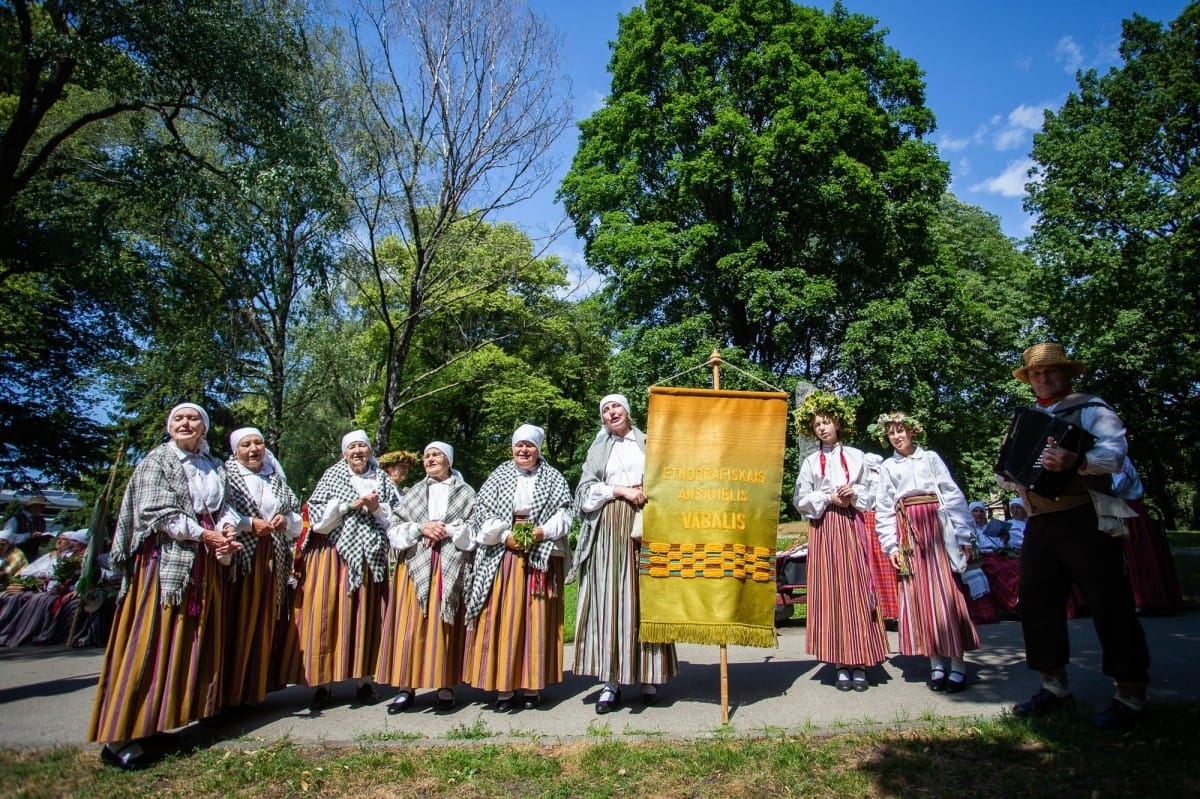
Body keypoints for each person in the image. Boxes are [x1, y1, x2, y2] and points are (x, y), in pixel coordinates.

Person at [1001, 342, 1150, 729]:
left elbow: (1116, 455)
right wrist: (1008, 471)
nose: (1044, 378)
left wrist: (1078, 460)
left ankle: (1129, 693)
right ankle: (1054, 688)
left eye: (1051, 371)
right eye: (1036, 373)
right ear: (1028, 379)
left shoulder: (1090, 410)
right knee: (1035, 602)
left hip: (1086, 517)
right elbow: (1011, 467)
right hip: (1040, 521)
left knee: (1109, 601)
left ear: (1068, 374)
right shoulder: (1028, 417)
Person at [87, 402, 242, 769]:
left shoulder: (214, 465)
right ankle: (119, 736)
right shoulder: (157, 461)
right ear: (169, 426)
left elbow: (227, 507)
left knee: (185, 643)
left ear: (204, 428)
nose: (185, 424)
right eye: (178, 419)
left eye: (193, 419)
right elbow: (157, 513)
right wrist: (207, 534)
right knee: (150, 641)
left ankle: (155, 724)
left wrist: (227, 528)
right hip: (163, 566)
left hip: (202, 562)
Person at [571, 394, 678, 713]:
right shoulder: (598, 449)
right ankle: (611, 682)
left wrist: (647, 492)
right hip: (608, 527)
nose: (610, 412)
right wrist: (620, 491)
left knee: (645, 598)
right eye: (605, 409)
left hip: (647, 522)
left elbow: (668, 479)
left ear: (627, 411)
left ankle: (649, 676)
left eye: (615, 407)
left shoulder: (647, 442)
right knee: (610, 601)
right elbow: (585, 493)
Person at [462, 424, 574, 711]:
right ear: (512, 448)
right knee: (502, 616)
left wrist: (540, 533)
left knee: (536, 619)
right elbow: (481, 511)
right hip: (503, 554)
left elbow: (565, 513)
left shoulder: (553, 477)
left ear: (539, 449)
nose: (524, 450)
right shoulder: (499, 475)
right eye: (519, 445)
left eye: (530, 446)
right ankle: (504, 687)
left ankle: (532, 686)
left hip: (540, 554)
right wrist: (505, 535)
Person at [873, 411, 980, 694]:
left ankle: (957, 662)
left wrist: (963, 535)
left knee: (945, 592)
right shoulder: (887, 467)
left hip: (936, 530)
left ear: (912, 432)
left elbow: (952, 494)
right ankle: (935, 662)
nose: (896, 437)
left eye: (901, 431)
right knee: (920, 594)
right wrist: (891, 545)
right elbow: (884, 508)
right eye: (891, 433)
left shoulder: (930, 459)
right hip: (908, 531)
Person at [297, 430, 401, 709]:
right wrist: (346, 506)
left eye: (362, 447)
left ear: (370, 452)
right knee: (327, 613)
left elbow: (397, 518)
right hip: (334, 555)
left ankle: (365, 680)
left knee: (365, 614)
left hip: (371, 556)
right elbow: (317, 519)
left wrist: (376, 508)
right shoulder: (332, 476)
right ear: (344, 453)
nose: (357, 452)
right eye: (352, 447)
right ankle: (323, 683)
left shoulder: (382, 480)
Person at [791, 392, 888, 692]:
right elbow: (800, 500)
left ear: (838, 423)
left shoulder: (858, 456)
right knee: (831, 592)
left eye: (827, 422)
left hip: (851, 525)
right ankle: (839, 663)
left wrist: (853, 495)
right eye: (817, 424)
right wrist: (827, 497)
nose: (822, 428)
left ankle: (860, 660)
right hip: (824, 528)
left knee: (856, 590)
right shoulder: (810, 462)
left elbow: (874, 494)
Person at [378, 441, 476, 713]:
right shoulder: (413, 493)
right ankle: (405, 687)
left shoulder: (465, 492)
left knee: (444, 626)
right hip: (415, 565)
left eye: (437, 455)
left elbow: (474, 531)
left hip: (449, 565)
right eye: (427, 456)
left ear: (449, 460)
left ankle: (444, 686)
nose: (430, 459)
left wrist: (450, 530)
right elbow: (394, 530)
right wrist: (421, 527)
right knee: (410, 626)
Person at [219, 427, 304, 707]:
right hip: (241, 556)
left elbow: (293, 514)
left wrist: (284, 518)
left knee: (265, 618)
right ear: (236, 450)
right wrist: (248, 524)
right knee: (238, 618)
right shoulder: (225, 477)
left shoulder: (274, 478)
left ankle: (256, 688)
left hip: (273, 555)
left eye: (259, 443)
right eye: (246, 444)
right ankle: (228, 691)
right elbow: (219, 512)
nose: (254, 449)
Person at [1111, 457, 1182, 615]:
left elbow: (1118, 485)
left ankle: (1149, 598)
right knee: (1125, 557)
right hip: (1119, 509)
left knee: (1139, 554)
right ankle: (1135, 597)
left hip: (1129, 510)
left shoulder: (1119, 459)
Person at [2, 495, 58, 562]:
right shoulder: (16, 519)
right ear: (33, 506)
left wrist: (44, 538)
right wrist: (29, 536)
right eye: (41, 506)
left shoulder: (41, 521)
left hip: (32, 556)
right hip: (15, 555)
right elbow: (7, 537)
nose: (43, 509)